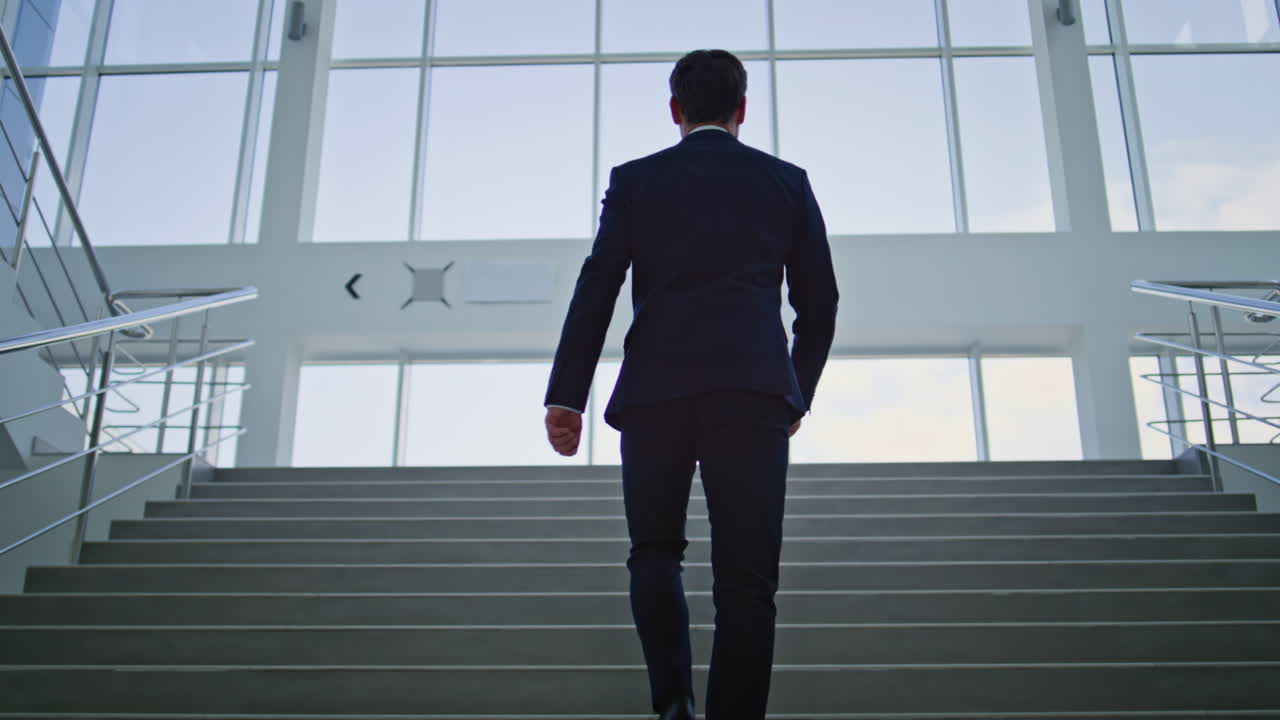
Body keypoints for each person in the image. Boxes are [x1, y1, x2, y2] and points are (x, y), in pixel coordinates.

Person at [543, 49, 838, 720]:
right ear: (742, 110)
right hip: (753, 390)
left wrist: (567, 394)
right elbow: (819, 304)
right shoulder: (785, 182)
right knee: (748, 579)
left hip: (656, 391)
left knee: (654, 551)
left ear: (675, 111)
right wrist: (796, 389)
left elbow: (597, 288)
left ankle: (673, 702)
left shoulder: (637, 180)